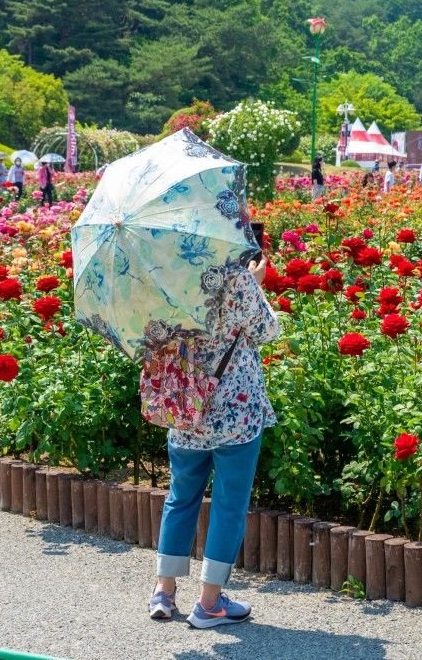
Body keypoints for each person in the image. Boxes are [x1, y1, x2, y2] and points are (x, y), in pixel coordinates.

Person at [148, 256, 280, 628]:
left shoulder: (163, 272)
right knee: (228, 503)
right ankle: (209, 603)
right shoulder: (237, 278)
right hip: (234, 413)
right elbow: (268, 331)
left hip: (186, 407)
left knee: (181, 496)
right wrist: (255, 283)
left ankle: (164, 590)